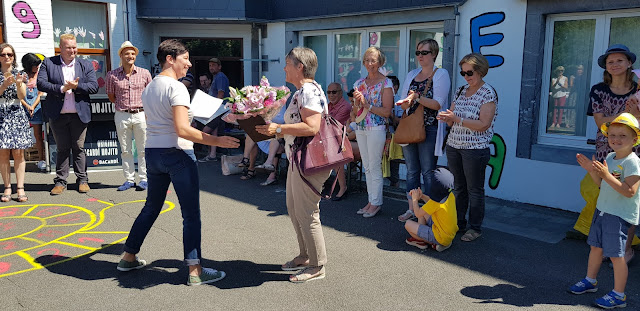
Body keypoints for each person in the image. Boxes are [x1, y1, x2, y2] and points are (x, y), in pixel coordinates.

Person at [118, 39, 240, 286]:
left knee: (151, 207)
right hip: (178, 154)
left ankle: (128, 256)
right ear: (170, 59)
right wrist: (217, 141)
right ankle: (195, 271)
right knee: (191, 215)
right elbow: (183, 129)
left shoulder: (150, 86)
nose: (189, 64)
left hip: (153, 153)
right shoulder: (177, 88)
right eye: (185, 58)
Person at [256, 46, 331, 283]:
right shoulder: (302, 91)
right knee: (294, 209)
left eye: (288, 64)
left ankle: (318, 265)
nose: (284, 68)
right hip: (298, 158)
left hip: (308, 160)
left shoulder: (308, 91)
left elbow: (312, 127)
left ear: (300, 66)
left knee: (307, 213)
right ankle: (304, 256)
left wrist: (277, 129)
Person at [571, 113, 640, 309]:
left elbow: (629, 191)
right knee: (595, 248)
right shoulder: (610, 156)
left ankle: (619, 295)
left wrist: (606, 174)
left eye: (622, 136)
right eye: (612, 135)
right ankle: (590, 281)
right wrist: (592, 171)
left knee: (617, 256)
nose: (616, 139)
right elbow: (602, 185)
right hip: (603, 211)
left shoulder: (633, 162)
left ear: (635, 139)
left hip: (619, 215)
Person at [437, 53, 497, 242]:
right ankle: (458, 223)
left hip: (475, 148)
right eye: (463, 73)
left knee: (474, 189)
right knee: (458, 188)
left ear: (480, 71)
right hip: (454, 145)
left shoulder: (488, 92)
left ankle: (475, 228)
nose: (466, 76)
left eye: (469, 72)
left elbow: (484, 124)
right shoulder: (461, 90)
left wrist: (457, 119)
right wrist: (447, 118)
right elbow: (452, 116)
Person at [592, 44, 639, 264]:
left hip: (634, 148)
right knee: (607, 197)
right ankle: (606, 248)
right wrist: (626, 113)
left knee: (628, 201)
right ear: (606, 66)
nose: (615, 64)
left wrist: (634, 114)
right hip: (606, 149)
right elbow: (601, 122)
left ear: (629, 63)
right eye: (611, 61)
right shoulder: (599, 90)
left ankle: (624, 250)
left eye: (620, 60)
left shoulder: (638, 89)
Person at [397, 39, 451, 222]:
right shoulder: (412, 73)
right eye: (418, 53)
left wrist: (417, 98)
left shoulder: (441, 74)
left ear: (434, 54)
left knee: (428, 171)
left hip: (430, 128)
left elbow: (437, 104)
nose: (420, 56)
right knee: (412, 171)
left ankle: (429, 211)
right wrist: (406, 102)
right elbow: (404, 101)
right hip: (410, 126)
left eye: (424, 53)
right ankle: (412, 209)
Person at [37, 34, 98, 195]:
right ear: (61, 48)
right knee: (62, 148)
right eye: (68, 47)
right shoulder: (49, 63)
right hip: (58, 113)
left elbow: (93, 86)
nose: (72, 50)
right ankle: (60, 181)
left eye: (74, 47)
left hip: (79, 114)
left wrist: (77, 86)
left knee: (79, 147)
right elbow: (41, 83)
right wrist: (61, 88)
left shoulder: (85, 64)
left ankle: (82, 180)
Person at [351, 46, 393, 218]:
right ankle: (371, 201)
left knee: (374, 165)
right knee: (367, 166)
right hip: (361, 127)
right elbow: (354, 111)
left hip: (376, 128)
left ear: (380, 62)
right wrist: (357, 103)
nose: (370, 63)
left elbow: (387, 112)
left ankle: (375, 203)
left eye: (373, 60)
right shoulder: (359, 83)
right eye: (367, 60)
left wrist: (366, 104)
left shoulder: (386, 83)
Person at [106, 41, 152, 191]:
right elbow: (111, 96)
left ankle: (144, 178)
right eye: (126, 53)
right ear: (121, 56)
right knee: (125, 149)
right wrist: (123, 106)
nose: (130, 56)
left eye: (132, 53)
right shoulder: (112, 75)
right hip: (122, 114)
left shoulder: (145, 73)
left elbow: (150, 95)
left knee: (143, 148)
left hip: (140, 114)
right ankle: (129, 179)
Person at [0, 43, 30, 202]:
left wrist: (18, 83)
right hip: (1, 114)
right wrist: (4, 85)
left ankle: (20, 188)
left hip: (16, 114)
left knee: (18, 152)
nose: (6, 57)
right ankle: (7, 187)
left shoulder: (20, 73)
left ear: (13, 57)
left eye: (9, 55)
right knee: (3, 153)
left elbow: (22, 96)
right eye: (3, 54)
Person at [404, 167, 457, 252]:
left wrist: (414, 199)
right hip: (449, 234)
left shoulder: (435, 203)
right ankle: (443, 242)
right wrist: (422, 196)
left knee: (408, 224)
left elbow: (417, 214)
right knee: (423, 211)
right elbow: (430, 203)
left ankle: (425, 241)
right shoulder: (450, 196)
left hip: (440, 236)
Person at [198, 57, 230, 162]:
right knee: (213, 133)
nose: (211, 67)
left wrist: (213, 108)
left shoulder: (220, 76)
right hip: (217, 110)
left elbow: (220, 94)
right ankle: (212, 155)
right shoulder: (216, 77)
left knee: (205, 131)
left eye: (214, 65)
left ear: (219, 67)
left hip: (219, 110)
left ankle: (211, 154)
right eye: (210, 65)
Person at [326, 82, 352, 200]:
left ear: (340, 93)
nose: (331, 95)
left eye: (334, 92)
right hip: (332, 139)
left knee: (336, 153)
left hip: (345, 140)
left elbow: (331, 125)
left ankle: (343, 187)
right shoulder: (329, 105)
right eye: (329, 92)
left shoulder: (345, 107)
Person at [20, 53, 45, 171]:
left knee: (38, 135)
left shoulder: (40, 75)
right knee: (20, 135)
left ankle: (41, 159)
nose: (37, 67)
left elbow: (40, 93)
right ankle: (20, 160)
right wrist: (27, 105)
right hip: (23, 106)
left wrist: (33, 106)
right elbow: (19, 94)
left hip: (37, 106)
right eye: (35, 65)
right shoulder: (21, 75)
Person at [387, 75, 402, 189]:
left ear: (396, 87)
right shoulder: (381, 99)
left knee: (394, 159)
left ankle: (395, 184)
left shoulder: (399, 101)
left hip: (394, 136)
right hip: (382, 133)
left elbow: (401, 120)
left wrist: (389, 114)